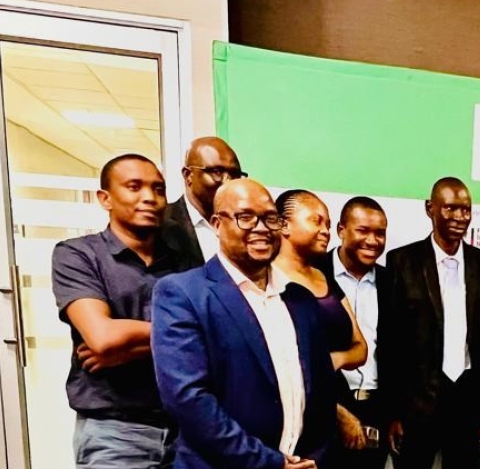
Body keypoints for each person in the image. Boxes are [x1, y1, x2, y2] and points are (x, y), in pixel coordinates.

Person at [151, 179, 338, 469]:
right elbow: (188, 400)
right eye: (246, 217)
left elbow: (324, 395)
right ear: (217, 224)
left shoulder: (300, 299)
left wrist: (314, 459)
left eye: (270, 218)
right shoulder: (183, 293)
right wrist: (269, 463)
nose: (261, 228)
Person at [51, 154, 187, 468]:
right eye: (134, 187)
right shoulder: (79, 255)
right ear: (105, 198)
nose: (149, 197)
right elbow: (102, 338)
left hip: (184, 430)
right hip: (115, 433)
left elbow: (212, 336)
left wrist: (130, 348)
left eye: (158, 189)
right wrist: (182, 333)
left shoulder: (182, 261)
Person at [379, 177, 480, 469]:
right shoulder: (401, 261)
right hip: (416, 404)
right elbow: (390, 341)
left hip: (468, 400)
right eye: (450, 208)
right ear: (430, 208)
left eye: (466, 209)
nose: (460, 217)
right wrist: (392, 413)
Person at [323, 196, 393, 469]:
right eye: (363, 231)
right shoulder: (314, 274)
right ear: (341, 230)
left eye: (380, 233)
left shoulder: (392, 281)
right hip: (325, 407)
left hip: (377, 411)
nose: (372, 241)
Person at [273, 189, 368, 372]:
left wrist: (336, 359)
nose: (325, 231)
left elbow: (360, 347)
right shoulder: (265, 279)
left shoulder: (324, 277)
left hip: (334, 387)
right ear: (284, 225)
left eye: (328, 225)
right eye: (316, 221)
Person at [161, 136, 246, 269]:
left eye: (235, 174)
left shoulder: (247, 225)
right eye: (217, 172)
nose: (228, 181)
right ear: (188, 175)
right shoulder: (161, 224)